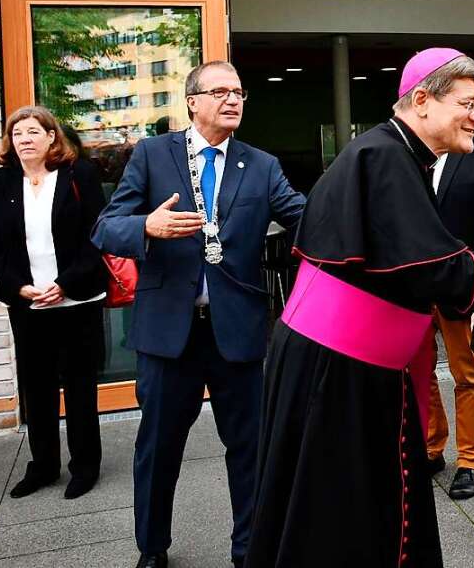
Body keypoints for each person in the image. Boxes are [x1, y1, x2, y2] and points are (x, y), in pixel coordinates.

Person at [245, 48, 474, 568]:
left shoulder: (393, 153)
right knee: (342, 519)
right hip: (339, 375)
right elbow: (438, 269)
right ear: (422, 101)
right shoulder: (384, 157)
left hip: (356, 367)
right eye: (468, 103)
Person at [92, 62, 306, 568]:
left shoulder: (260, 164)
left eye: (239, 92)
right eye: (220, 91)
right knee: (158, 448)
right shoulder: (152, 155)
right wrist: (147, 224)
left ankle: (249, 549)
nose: (232, 100)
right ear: (192, 101)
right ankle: (153, 548)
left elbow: (305, 217)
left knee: (249, 449)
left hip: (237, 330)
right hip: (169, 334)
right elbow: (106, 228)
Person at [0, 106, 107, 500]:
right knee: (37, 389)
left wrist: (64, 284)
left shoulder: (78, 176)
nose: (25, 139)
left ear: (52, 137)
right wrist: (18, 287)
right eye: (17, 134)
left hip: (78, 300)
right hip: (29, 305)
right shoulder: (1, 182)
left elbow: (97, 236)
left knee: (80, 387)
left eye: (34, 131)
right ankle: (44, 467)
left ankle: (84, 468)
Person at [426, 133, 474, 500]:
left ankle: (471, 461)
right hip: (413, 287)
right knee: (417, 374)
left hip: (459, 285)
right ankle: (430, 448)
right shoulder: (406, 152)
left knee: (467, 374)